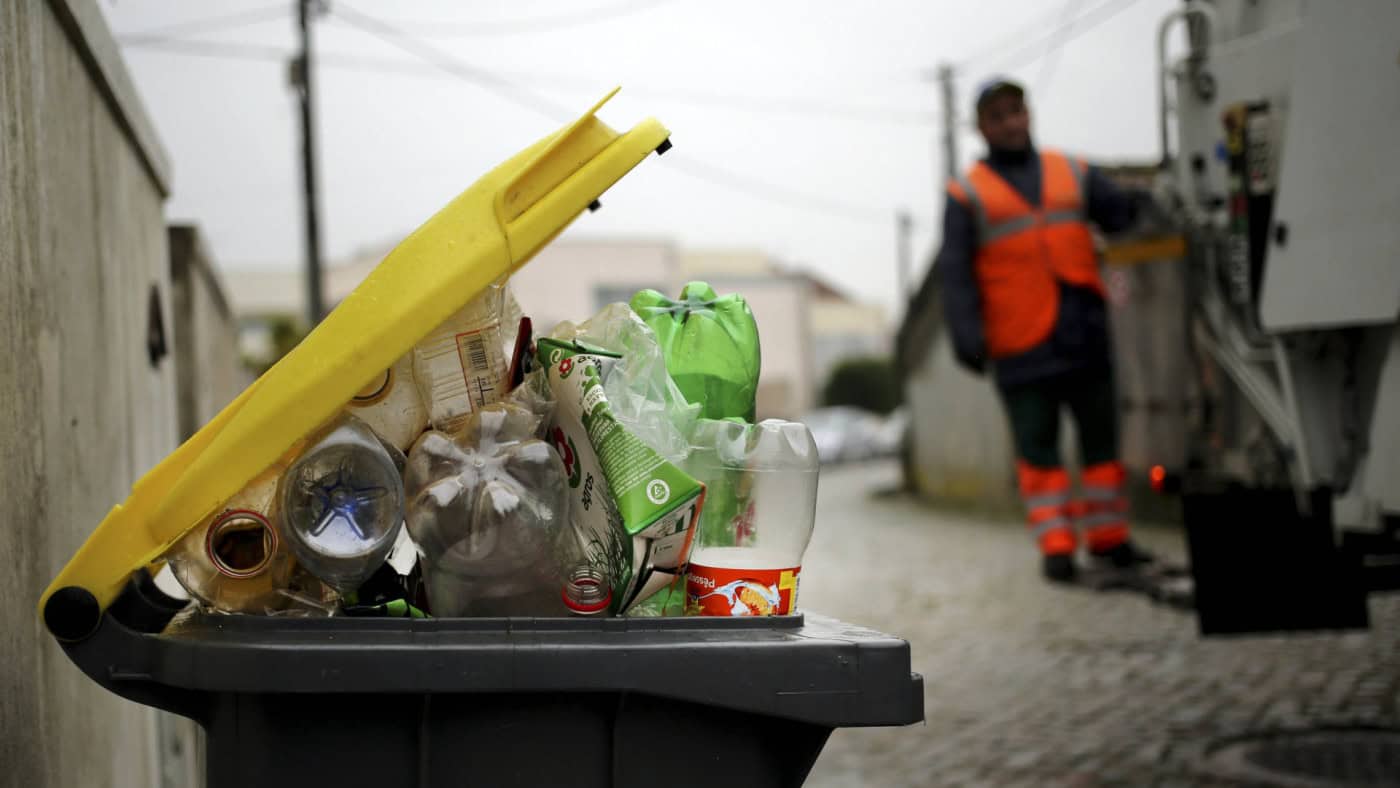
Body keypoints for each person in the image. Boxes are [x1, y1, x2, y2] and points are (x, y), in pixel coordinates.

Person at [935, 77, 1153, 583]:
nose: (1012, 122)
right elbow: (955, 273)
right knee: (1039, 454)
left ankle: (1109, 540)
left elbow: (1118, 212)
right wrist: (967, 337)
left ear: (1028, 114)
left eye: (1017, 110)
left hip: (1084, 333)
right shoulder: (966, 194)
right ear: (982, 127)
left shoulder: (1072, 172)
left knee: (1102, 449)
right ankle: (1056, 549)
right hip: (1020, 344)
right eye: (999, 115)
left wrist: (1140, 205)